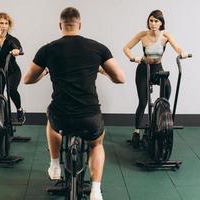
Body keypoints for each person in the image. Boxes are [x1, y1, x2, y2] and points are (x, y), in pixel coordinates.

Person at [24, 7, 125, 200]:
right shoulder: (98, 47)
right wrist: (101, 70)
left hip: (61, 115)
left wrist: (45, 72)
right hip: (89, 115)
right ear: (80, 24)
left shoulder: (48, 49)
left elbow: (27, 79)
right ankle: (95, 189)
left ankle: (54, 163)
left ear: (60, 25)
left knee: (50, 118)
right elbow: (120, 78)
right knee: (96, 145)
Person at [123, 10, 188, 145]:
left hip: (157, 69)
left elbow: (177, 47)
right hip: (143, 69)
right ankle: (136, 131)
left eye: (156, 21)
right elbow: (126, 48)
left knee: (167, 88)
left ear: (161, 23)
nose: (153, 23)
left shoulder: (165, 36)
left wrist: (182, 52)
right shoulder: (142, 35)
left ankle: (160, 113)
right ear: (148, 22)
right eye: (151, 20)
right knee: (143, 102)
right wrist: (133, 58)